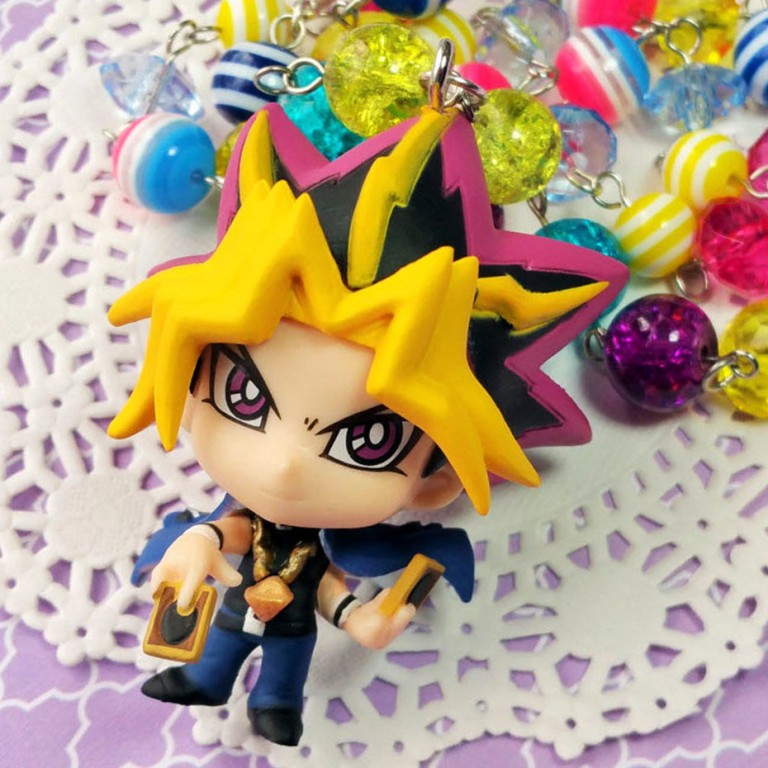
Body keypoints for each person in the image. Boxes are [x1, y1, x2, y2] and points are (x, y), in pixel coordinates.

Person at [108, 105, 626, 746]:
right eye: (243, 396)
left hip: (293, 626)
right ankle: (207, 678)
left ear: (434, 481)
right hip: (240, 610)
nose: (285, 465)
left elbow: (332, 591)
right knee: (219, 650)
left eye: (367, 441)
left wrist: (362, 621)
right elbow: (223, 532)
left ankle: (276, 703)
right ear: (187, 382)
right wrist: (194, 544)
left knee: (283, 672)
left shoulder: (332, 539)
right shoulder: (247, 515)